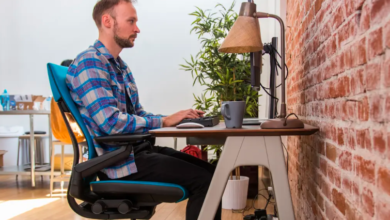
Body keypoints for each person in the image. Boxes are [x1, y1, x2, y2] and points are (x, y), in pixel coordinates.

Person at [65, 0, 222, 219]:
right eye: (131, 21)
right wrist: (163, 122)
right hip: (120, 163)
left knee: (214, 174)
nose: (137, 28)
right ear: (107, 21)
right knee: (205, 181)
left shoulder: (120, 67)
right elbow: (110, 123)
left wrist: (170, 118)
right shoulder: (90, 63)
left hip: (136, 154)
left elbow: (136, 114)